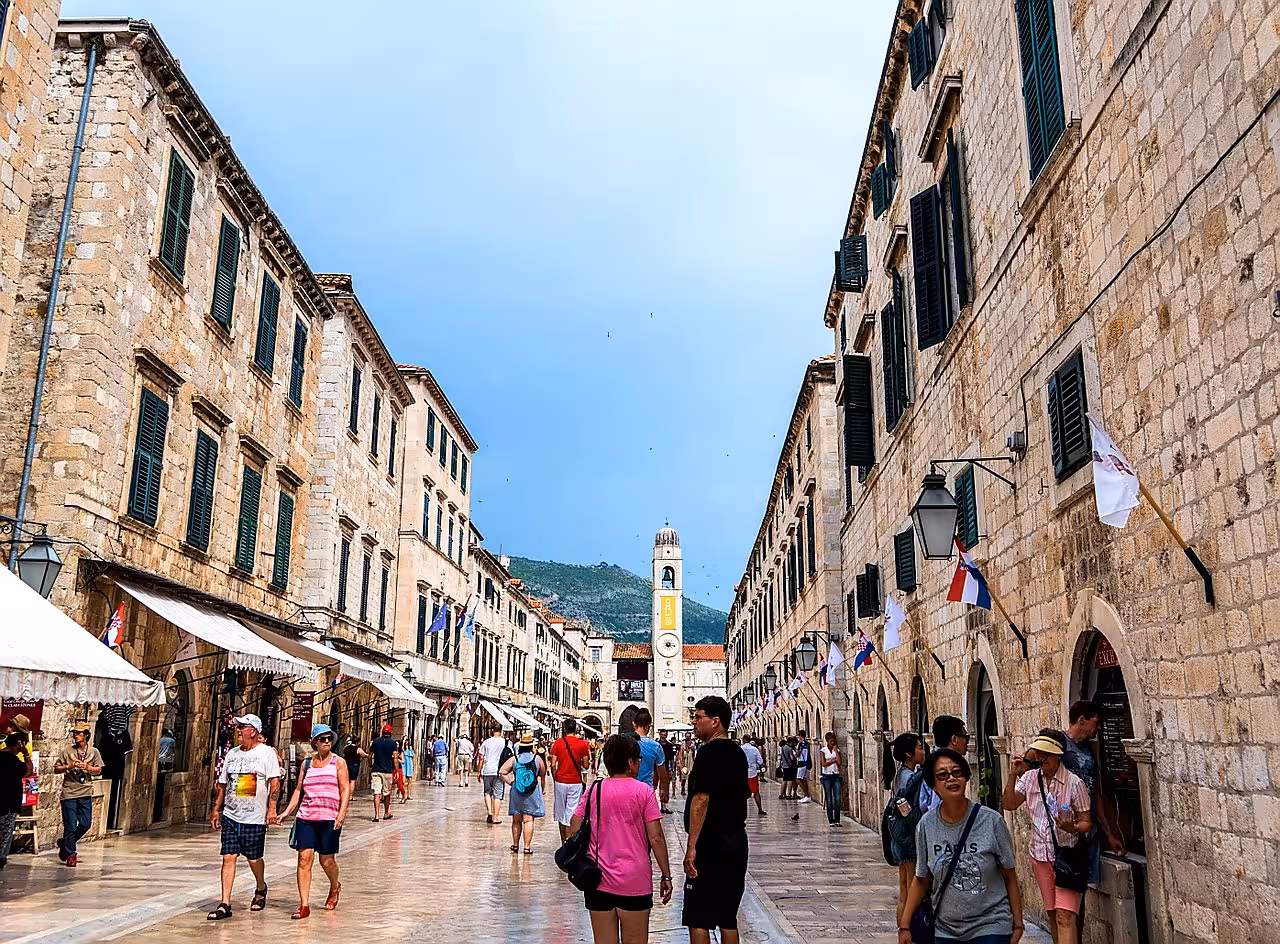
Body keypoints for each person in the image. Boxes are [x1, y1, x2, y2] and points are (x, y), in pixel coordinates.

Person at [900, 748, 1024, 944]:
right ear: (933, 785)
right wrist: (905, 926)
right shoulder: (926, 825)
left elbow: (1009, 876)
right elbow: (922, 879)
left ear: (966, 777)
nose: (951, 778)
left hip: (991, 924)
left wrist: (1017, 925)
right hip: (946, 929)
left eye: (957, 772)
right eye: (942, 775)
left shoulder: (992, 821)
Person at [569, 735, 674, 943]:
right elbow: (656, 837)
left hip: (597, 880)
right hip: (634, 880)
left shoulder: (594, 790)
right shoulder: (643, 791)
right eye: (638, 759)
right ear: (630, 762)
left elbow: (574, 825)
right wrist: (666, 875)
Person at [1002, 734, 1092, 944]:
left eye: (1046, 754)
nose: (1042, 758)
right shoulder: (1030, 779)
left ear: (1057, 755)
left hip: (1067, 857)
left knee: (1065, 916)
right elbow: (1009, 804)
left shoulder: (1073, 783)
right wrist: (1013, 776)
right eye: (1039, 753)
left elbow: (1087, 821)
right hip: (1040, 857)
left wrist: (1073, 827)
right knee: (1053, 914)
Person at [682, 696, 749, 944]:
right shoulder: (738, 753)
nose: (694, 723)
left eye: (698, 717)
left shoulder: (708, 753)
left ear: (716, 721)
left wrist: (691, 847)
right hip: (735, 842)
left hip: (710, 844)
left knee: (698, 917)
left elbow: (701, 799)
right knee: (727, 917)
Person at [207, 714, 281, 920]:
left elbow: (274, 783)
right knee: (228, 857)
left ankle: (260, 887)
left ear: (254, 731)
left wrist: (272, 809)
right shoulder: (232, 754)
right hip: (231, 815)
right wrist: (216, 809)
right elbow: (223, 784)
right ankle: (225, 903)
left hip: (254, 816)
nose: (238, 730)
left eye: (243, 727)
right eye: (238, 727)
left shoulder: (266, 753)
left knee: (253, 857)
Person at [279, 723, 351, 919]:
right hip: (306, 817)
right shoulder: (307, 764)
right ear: (315, 742)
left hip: (329, 817)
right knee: (304, 859)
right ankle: (304, 905)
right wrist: (287, 811)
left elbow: (345, 789)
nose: (327, 742)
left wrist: (342, 813)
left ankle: (335, 886)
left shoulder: (339, 763)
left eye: (329, 738)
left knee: (326, 861)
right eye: (322, 739)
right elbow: (298, 790)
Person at [883, 731, 926, 931]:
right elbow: (908, 808)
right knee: (911, 890)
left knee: (903, 891)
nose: (922, 751)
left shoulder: (899, 774)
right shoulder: (909, 777)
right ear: (909, 754)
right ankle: (908, 931)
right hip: (907, 838)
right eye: (919, 747)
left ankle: (902, 929)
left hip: (898, 838)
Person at [54, 724, 104, 868]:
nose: (76, 735)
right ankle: (71, 855)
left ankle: (65, 843)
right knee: (70, 825)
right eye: (75, 733)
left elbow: (99, 770)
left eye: (79, 733)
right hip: (69, 792)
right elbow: (56, 769)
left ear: (86, 735)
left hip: (85, 792)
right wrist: (68, 767)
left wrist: (88, 767)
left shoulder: (94, 752)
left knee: (85, 823)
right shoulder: (67, 751)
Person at [500, 731, 545, 854]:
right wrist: (543, 788)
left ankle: (515, 845)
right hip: (532, 791)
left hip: (517, 790)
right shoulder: (537, 759)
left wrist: (511, 782)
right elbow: (543, 774)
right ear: (531, 746)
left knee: (516, 820)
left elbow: (502, 772)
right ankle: (526, 847)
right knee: (528, 819)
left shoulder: (514, 759)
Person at [550, 719, 591, 843]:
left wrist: (555, 778)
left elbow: (552, 764)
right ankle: (569, 842)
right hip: (575, 782)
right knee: (571, 813)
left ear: (564, 729)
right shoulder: (582, 744)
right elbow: (585, 765)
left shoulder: (557, 743)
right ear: (575, 729)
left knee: (561, 814)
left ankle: (564, 842)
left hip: (560, 781)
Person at [919, 715, 971, 813]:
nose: (966, 741)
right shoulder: (939, 765)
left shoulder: (932, 762)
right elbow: (936, 806)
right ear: (954, 740)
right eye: (965, 737)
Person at [0, 733, 30, 867]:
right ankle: (1, 858)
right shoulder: (13, 761)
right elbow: (28, 771)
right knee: (5, 833)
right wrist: (26, 754)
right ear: (19, 744)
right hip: (9, 803)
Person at [478, 725, 507, 824]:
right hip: (500, 771)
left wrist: (479, 771)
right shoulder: (505, 742)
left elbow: (481, 757)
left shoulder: (486, 742)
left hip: (487, 770)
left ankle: (490, 813)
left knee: (487, 793)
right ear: (501, 731)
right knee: (497, 795)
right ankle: (495, 818)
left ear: (492, 730)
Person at [369, 723, 398, 822]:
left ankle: (376, 815)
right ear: (390, 732)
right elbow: (395, 758)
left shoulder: (375, 742)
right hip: (387, 771)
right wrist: (396, 770)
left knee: (376, 793)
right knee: (386, 793)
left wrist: (370, 765)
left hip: (376, 770)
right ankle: (386, 813)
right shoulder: (393, 743)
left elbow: (370, 755)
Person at [630, 709, 665, 790]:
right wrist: (665, 791)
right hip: (647, 790)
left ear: (634, 724)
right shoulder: (655, 746)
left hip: (628, 791)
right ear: (649, 725)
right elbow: (663, 775)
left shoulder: (625, 743)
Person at [819, 732, 842, 827]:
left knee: (837, 798)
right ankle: (831, 820)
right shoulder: (823, 751)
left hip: (835, 775)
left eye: (834, 741)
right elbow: (823, 764)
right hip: (827, 776)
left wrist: (836, 752)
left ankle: (837, 820)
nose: (833, 743)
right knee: (829, 799)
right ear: (827, 741)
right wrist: (833, 761)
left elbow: (839, 762)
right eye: (831, 741)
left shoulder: (836, 751)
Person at [740, 736, 766, 816]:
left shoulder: (740, 749)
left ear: (743, 740)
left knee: (741, 794)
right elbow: (760, 761)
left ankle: (740, 811)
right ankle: (760, 809)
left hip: (742, 774)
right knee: (756, 793)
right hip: (752, 773)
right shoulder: (754, 749)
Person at [656, 730, 677, 813]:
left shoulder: (669, 746)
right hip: (656, 768)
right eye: (662, 735)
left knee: (664, 788)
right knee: (652, 787)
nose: (663, 736)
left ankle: (664, 807)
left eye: (665, 735)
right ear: (659, 735)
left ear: (667, 735)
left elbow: (672, 758)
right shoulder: (656, 745)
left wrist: (672, 769)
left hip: (665, 768)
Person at [793, 730, 814, 806]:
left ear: (800, 736)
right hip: (806, 763)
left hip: (801, 763)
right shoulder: (807, 744)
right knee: (804, 779)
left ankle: (807, 794)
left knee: (798, 779)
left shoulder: (801, 744)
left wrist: (795, 753)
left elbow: (798, 754)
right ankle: (806, 796)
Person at [400, 737, 415, 802]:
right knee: (403, 781)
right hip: (404, 765)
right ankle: (403, 794)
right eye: (405, 740)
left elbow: (413, 757)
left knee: (410, 780)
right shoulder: (401, 749)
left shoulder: (410, 748)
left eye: (407, 740)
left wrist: (413, 765)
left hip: (409, 764)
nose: (406, 741)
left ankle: (409, 794)